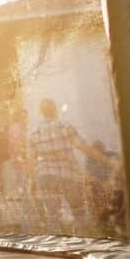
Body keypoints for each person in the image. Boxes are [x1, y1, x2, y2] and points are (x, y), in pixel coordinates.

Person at [28, 99, 87, 232]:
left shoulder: (34, 132)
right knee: (78, 211)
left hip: (45, 176)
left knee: (53, 216)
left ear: (41, 112)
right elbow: (83, 147)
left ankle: (59, 244)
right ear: (55, 110)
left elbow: (31, 160)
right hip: (67, 174)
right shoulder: (65, 126)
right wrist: (108, 161)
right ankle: (82, 237)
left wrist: (32, 182)